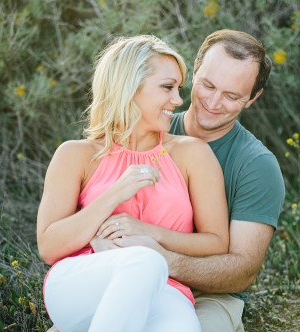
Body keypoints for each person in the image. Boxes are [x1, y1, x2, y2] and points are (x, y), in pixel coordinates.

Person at [37, 35, 230, 331]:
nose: (178, 100)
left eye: (179, 88)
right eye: (167, 87)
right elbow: (49, 246)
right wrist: (116, 193)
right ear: (129, 87)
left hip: (167, 290)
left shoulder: (193, 154)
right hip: (81, 282)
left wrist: (149, 235)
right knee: (144, 263)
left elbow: (217, 243)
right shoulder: (75, 155)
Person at [109, 29, 285, 332]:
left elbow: (241, 272)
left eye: (232, 96)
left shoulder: (256, 166)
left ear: (253, 98)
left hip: (209, 296)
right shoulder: (146, 130)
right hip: (127, 276)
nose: (214, 102)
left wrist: (163, 260)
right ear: (194, 69)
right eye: (207, 85)